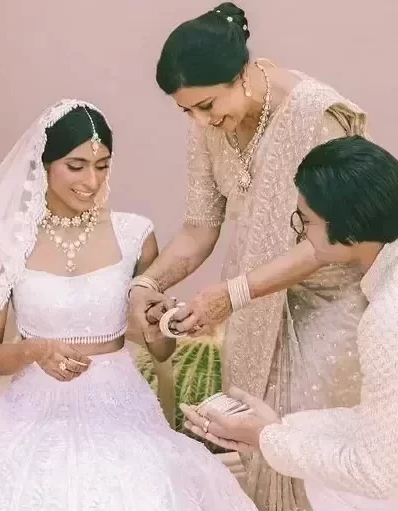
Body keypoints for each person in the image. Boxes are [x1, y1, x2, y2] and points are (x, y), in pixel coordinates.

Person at [0, 99, 259, 511]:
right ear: (44, 164)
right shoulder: (9, 241)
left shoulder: (134, 234)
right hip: (30, 411)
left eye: (102, 166)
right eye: (75, 166)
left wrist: (161, 324)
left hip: (118, 411)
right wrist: (35, 351)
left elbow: (160, 349)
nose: (91, 181)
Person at [129, 3, 371, 510]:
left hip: (328, 307)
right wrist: (146, 284)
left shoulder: (316, 117)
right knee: (258, 454)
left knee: (310, 455)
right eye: (187, 112)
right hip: (256, 307)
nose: (201, 121)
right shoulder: (208, 124)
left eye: (207, 105)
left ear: (241, 74)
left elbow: (335, 238)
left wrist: (234, 294)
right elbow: (200, 226)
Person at [183, 136, 398, 511]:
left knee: (329, 481)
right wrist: (279, 429)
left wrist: (266, 438)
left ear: (348, 229)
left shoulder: (395, 316)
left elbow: (373, 474)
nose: (300, 233)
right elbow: (391, 419)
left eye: (306, 221)